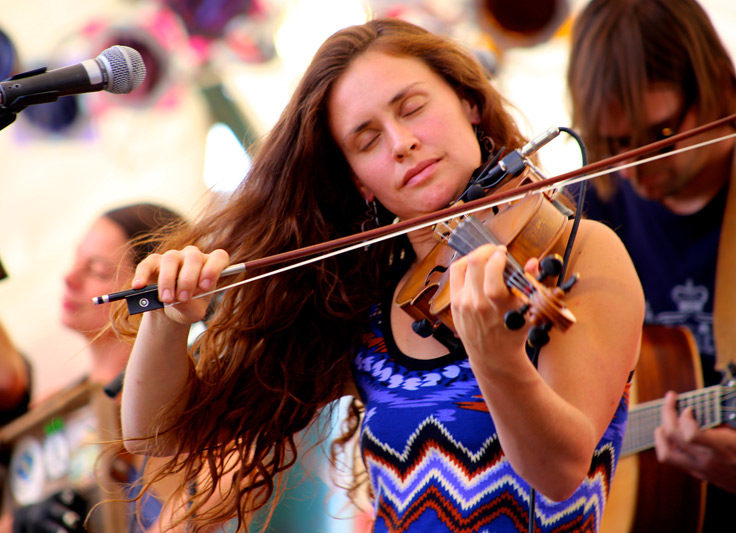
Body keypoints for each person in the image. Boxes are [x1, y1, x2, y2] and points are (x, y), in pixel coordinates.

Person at [116, 18, 644, 533]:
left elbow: (560, 472)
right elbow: (155, 433)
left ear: (470, 104)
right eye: (367, 140)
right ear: (359, 182)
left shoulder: (581, 252)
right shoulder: (369, 301)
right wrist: (167, 322)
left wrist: (498, 357)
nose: (400, 142)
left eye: (412, 108)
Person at [566, 0, 736, 530]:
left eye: (659, 134)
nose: (632, 166)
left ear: (715, 82)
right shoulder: (580, 215)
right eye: (613, 143)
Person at [0, 203, 185, 533]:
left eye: (97, 270)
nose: (69, 277)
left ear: (148, 292)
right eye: (76, 260)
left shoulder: (174, 427)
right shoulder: (52, 406)